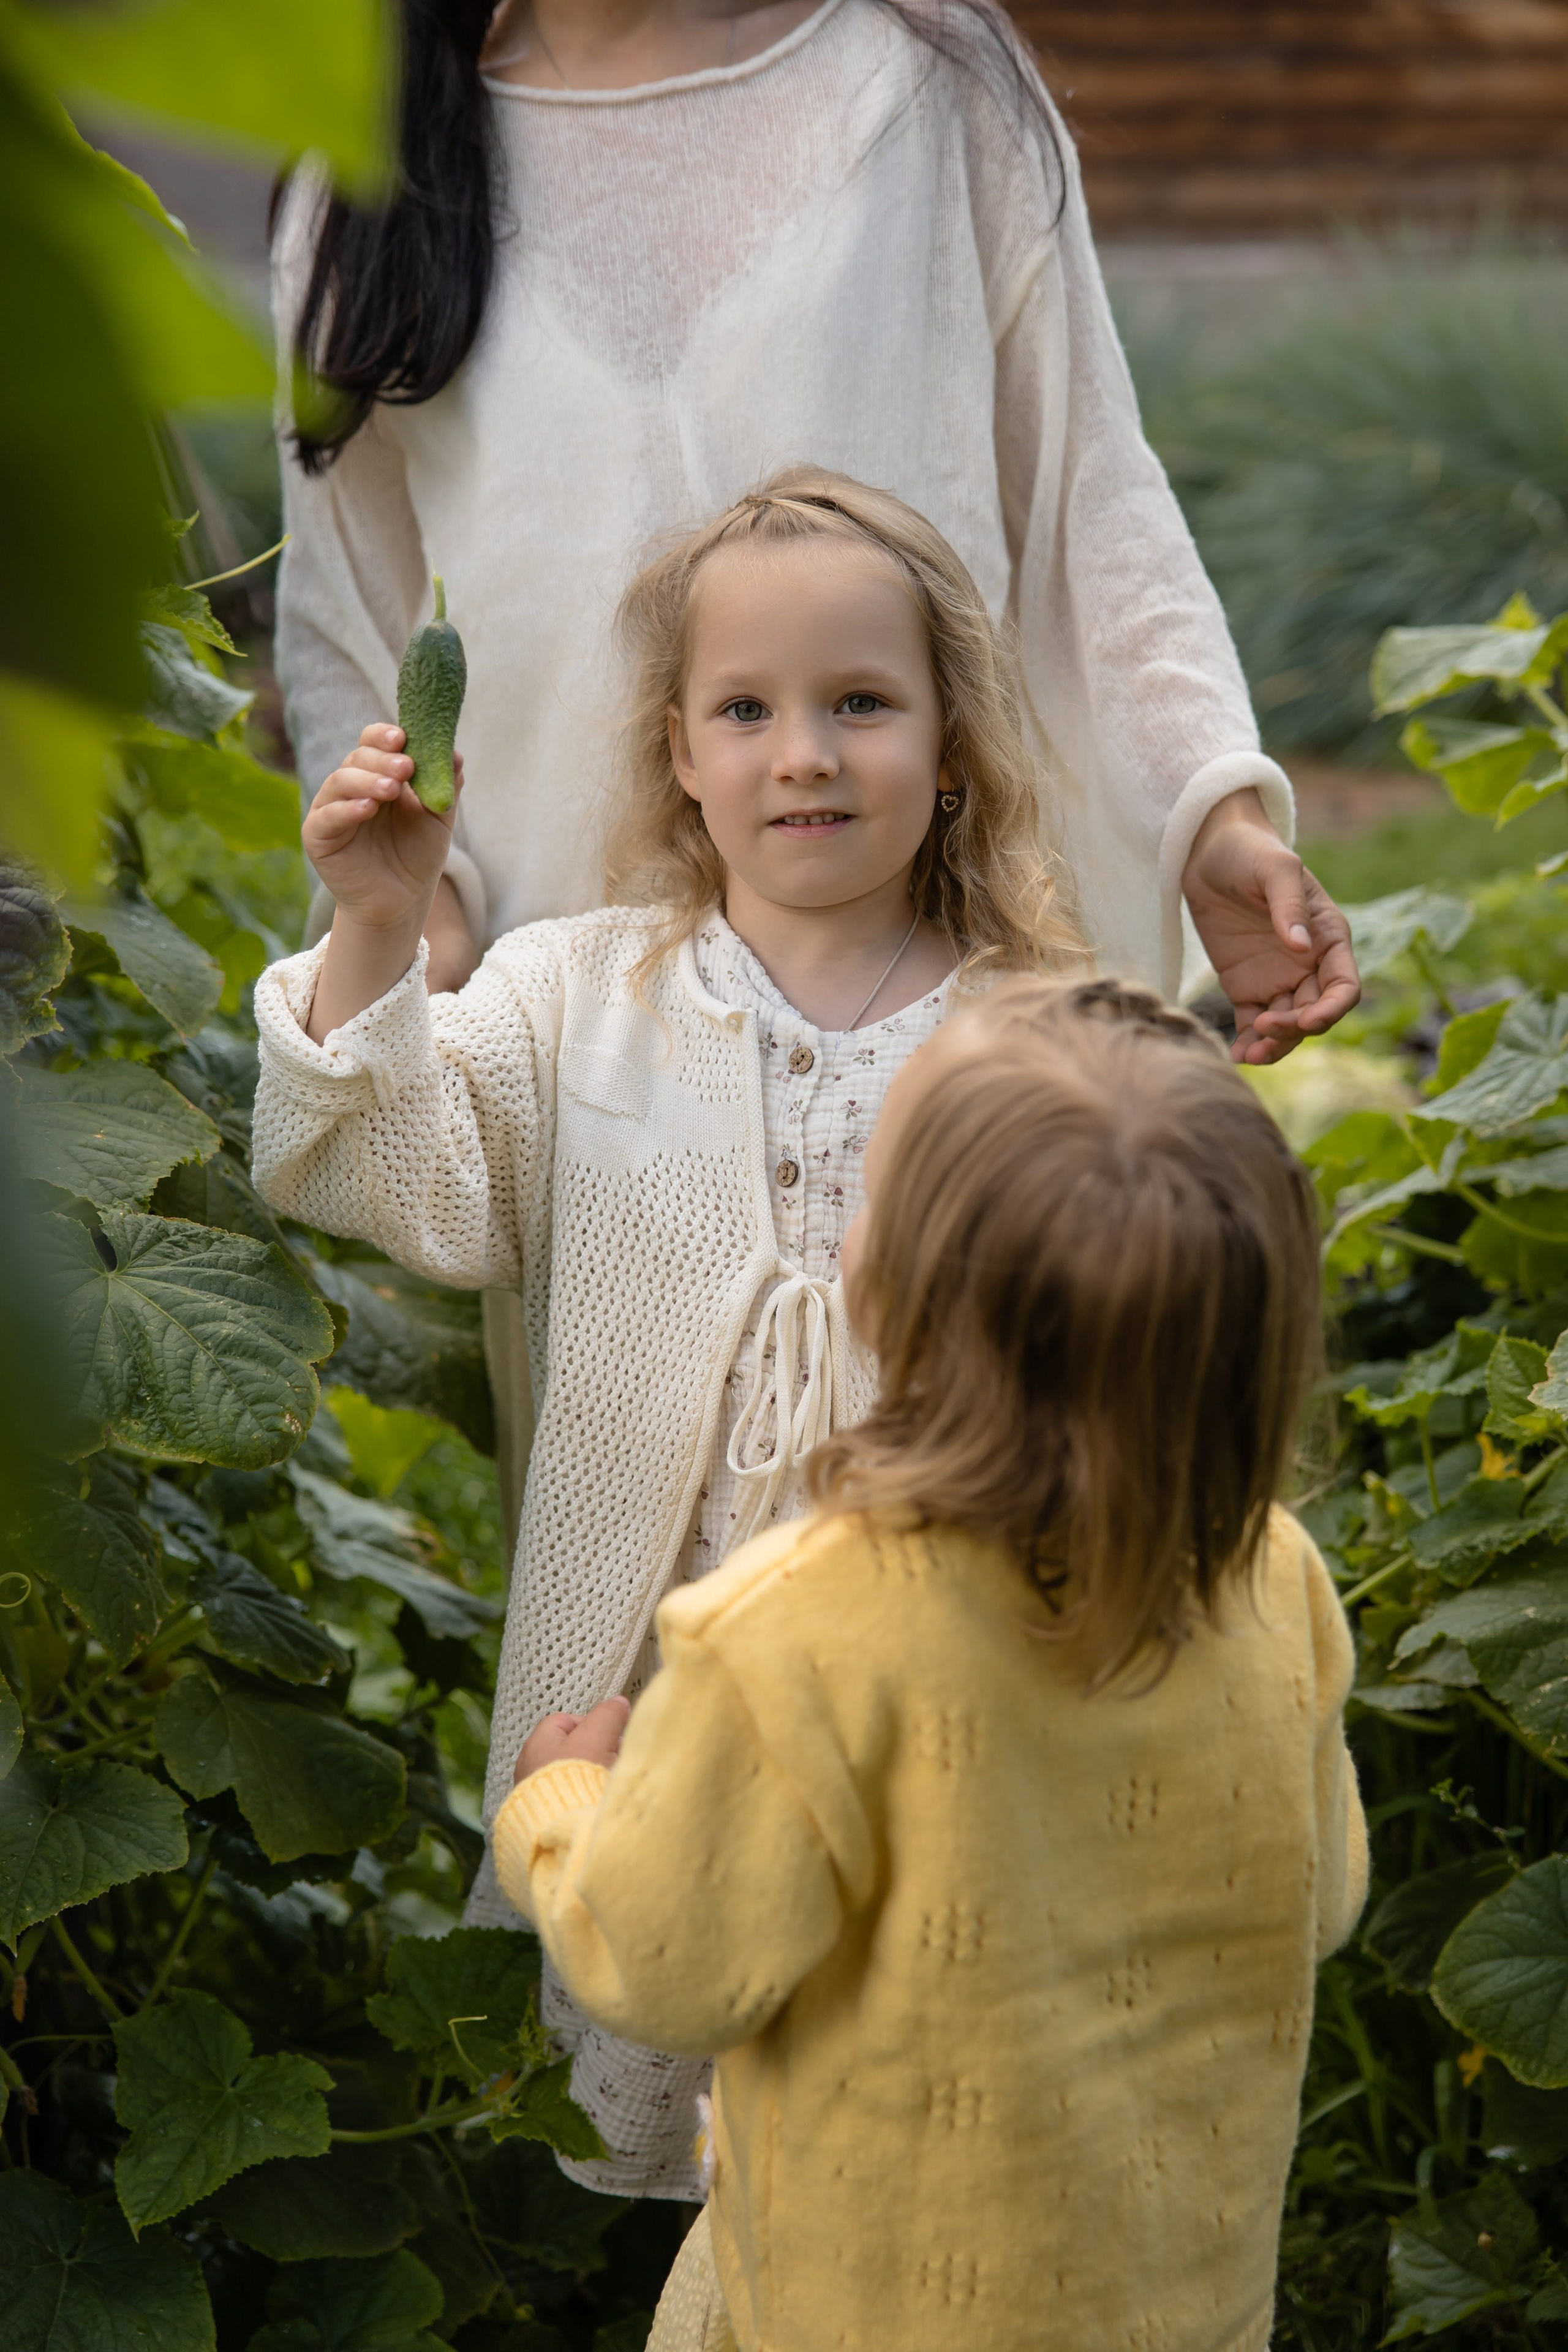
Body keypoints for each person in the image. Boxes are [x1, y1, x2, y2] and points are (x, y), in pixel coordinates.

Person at [272, 0, 1361, 1537]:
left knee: (991, 1517)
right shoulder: (370, 157)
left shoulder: (923, 80)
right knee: (643, 1575)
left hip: (941, 985)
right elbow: (350, 620)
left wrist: (1212, 809)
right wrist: (422, 920)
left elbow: (1087, 497)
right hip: (604, 1053)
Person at [251, 473, 1085, 2195]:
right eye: (748, 709)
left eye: (862, 702)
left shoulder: (1041, 1036)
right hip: (652, 1723)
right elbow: (382, 1170)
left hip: (930, 1709)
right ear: (679, 753)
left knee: (901, 2154)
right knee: (704, 2108)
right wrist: (380, 921)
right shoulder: (580, 998)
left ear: (951, 746)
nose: (806, 754)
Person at [492, 973, 1369, 2352]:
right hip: (1179, 2301)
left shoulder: (792, 1623)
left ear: (889, 1290)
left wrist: (561, 1806)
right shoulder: (1268, 1575)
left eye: (864, 1199)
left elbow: (664, 1966)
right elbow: (1322, 1897)